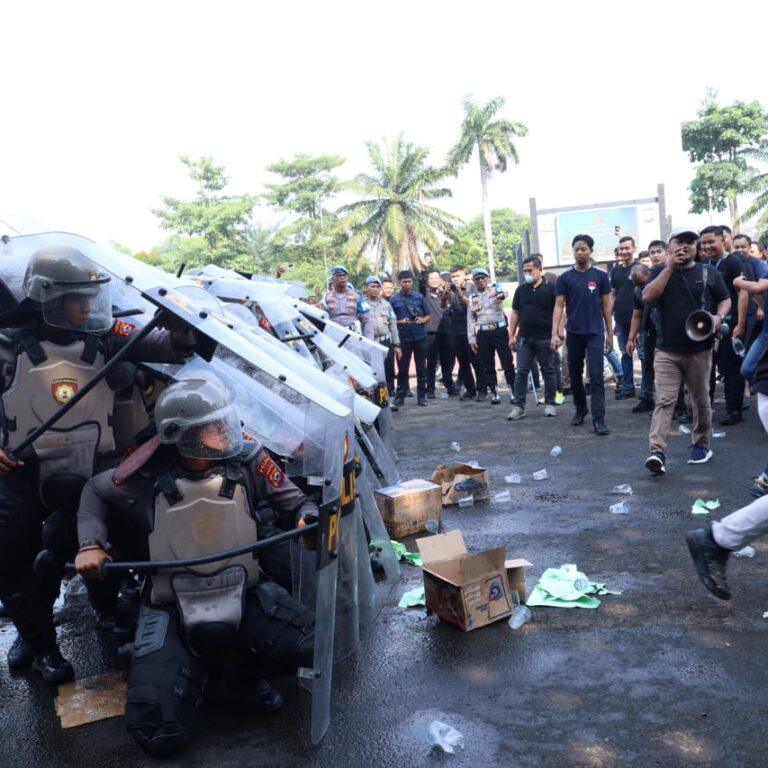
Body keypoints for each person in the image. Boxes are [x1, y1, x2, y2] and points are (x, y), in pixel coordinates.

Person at [74, 378, 316, 756]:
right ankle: (191, 674)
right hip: (170, 604)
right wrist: (89, 544)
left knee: (310, 644)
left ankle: (241, 679)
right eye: (212, 426)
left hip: (243, 590)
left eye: (224, 422)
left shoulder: (250, 461)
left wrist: (308, 520)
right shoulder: (143, 477)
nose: (225, 431)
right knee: (159, 733)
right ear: (181, 435)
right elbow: (93, 490)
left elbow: (300, 504)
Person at [0, 245, 197, 682]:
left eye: (91, 297)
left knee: (105, 541)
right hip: (25, 473)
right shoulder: (7, 345)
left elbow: (165, 345)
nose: (88, 305)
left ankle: (110, 611)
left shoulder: (108, 338)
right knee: (17, 562)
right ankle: (39, 642)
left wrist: (184, 326)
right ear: (47, 296)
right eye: (76, 297)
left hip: (95, 467)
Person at [641, 227, 730, 475]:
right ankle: (657, 452)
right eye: (679, 241)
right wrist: (670, 267)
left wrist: (718, 317)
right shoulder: (659, 271)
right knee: (665, 400)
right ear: (669, 247)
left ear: (697, 247)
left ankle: (701, 445)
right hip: (667, 351)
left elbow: (725, 299)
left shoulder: (708, 272)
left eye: (691, 242)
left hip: (699, 350)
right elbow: (648, 297)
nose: (685, 246)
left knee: (701, 401)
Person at [552, 234, 613, 435]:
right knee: (575, 376)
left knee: (596, 376)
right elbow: (559, 305)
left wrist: (610, 334)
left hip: (595, 333)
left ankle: (599, 419)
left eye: (583, 249)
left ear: (590, 251)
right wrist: (555, 333)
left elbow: (606, 305)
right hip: (574, 333)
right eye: (576, 249)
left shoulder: (601, 276)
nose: (580, 252)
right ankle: (580, 409)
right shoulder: (565, 278)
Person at [700, 226, 750, 425]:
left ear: (723, 240)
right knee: (706, 368)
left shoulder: (734, 261)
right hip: (709, 324)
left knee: (730, 368)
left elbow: (744, 292)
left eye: (711, 241)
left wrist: (741, 324)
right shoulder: (706, 264)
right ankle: (705, 409)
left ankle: (734, 410)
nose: (707, 246)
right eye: (703, 243)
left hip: (731, 323)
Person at [507, 256, 558, 420]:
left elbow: (559, 313)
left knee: (548, 370)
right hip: (524, 339)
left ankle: (550, 404)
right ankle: (519, 407)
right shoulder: (520, 290)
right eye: (525, 271)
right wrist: (511, 336)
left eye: (530, 270)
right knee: (521, 372)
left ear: (539, 270)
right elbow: (515, 313)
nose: (527, 274)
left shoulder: (550, 289)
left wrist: (556, 334)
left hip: (545, 338)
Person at [467, 268, 515, 404]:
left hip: (499, 331)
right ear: (473, 281)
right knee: (487, 364)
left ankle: (513, 390)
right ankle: (494, 392)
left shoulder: (495, 289)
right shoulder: (472, 297)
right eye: (477, 278)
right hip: (483, 333)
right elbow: (471, 319)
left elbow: (505, 293)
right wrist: (472, 338)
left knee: (507, 361)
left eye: (483, 277)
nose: (481, 280)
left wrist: (500, 295)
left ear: (487, 278)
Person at [390, 270, 431, 407]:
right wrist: (400, 322)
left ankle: (422, 397)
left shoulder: (419, 297)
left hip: (419, 337)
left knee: (421, 368)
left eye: (409, 281)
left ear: (412, 282)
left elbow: (428, 315)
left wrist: (422, 320)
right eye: (404, 282)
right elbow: (390, 320)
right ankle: (400, 397)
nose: (407, 284)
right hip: (403, 338)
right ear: (399, 283)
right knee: (402, 369)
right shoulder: (394, 299)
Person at [442, 265, 483, 401]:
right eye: (453, 276)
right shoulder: (450, 289)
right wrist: (445, 295)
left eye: (458, 276)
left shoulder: (473, 287)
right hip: (456, 329)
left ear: (465, 275)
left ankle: (482, 389)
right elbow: (443, 306)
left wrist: (460, 295)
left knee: (476, 361)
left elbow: (475, 307)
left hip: (471, 329)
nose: (455, 279)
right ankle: (470, 390)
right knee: (463, 362)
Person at [611, 235, 640, 399]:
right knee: (625, 354)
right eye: (621, 249)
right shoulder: (616, 271)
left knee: (643, 355)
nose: (624, 251)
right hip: (621, 320)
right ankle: (628, 387)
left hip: (640, 320)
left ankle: (648, 390)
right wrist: (610, 317)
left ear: (634, 248)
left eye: (627, 248)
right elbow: (613, 295)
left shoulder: (641, 269)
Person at [421, 269, 457, 398]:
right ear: (427, 281)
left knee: (447, 361)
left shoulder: (447, 293)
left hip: (447, 332)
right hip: (430, 332)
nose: (434, 280)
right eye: (431, 278)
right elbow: (420, 283)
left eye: (436, 278)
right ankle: (430, 389)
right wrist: (423, 269)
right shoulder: (424, 294)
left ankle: (450, 386)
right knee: (431, 362)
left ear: (441, 279)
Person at [364, 276, 401, 400]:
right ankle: (377, 398)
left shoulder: (386, 305)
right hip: (370, 343)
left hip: (386, 342)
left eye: (377, 287)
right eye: (372, 286)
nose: (375, 289)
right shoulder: (362, 305)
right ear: (366, 288)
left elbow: (393, 325)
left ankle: (390, 397)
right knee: (374, 372)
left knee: (389, 370)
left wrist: (396, 344)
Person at [626, 262, 655, 413]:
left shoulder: (660, 283)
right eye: (637, 284)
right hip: (649, 332)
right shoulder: (637, 290)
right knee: (647, 365)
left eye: (643, 284)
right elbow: (637, 315)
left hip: (667, 332)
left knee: (669, 368)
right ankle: (647, 398)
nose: (642, 288)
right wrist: (631, 337)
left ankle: (677, 405)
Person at [320, 265, 374, 339]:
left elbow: (367, 318)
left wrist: (369, 339)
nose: (342, 278)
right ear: (333, 278)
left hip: (353, 334)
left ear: (347, 277)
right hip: (333, 335)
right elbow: (321, 317)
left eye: (344, 275)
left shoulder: (357, 295)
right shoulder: (326, 297)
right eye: (338, 275)